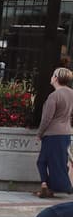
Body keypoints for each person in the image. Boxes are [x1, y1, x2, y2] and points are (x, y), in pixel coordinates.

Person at [35, 68, 73, 198]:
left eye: (53, 75)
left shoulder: (54, 96)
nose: (51, 77)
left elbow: (47, 118)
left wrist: (39, 133)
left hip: (52, 134)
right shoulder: (71, 93)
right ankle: (47, 187)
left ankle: (46, 186)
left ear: (56, 78)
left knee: (42, 161)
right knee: (58, 161)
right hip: (66, 132)